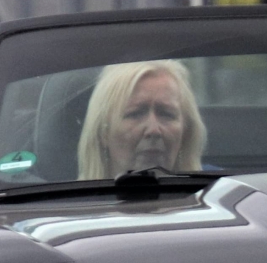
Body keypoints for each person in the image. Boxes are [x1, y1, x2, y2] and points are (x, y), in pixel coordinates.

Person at [78, 60, 207, 179]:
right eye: (135, 114)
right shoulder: (71, 200)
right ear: (103, 132)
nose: (153, 130)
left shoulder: (217, 191)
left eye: (167, 114)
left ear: (186, 131)